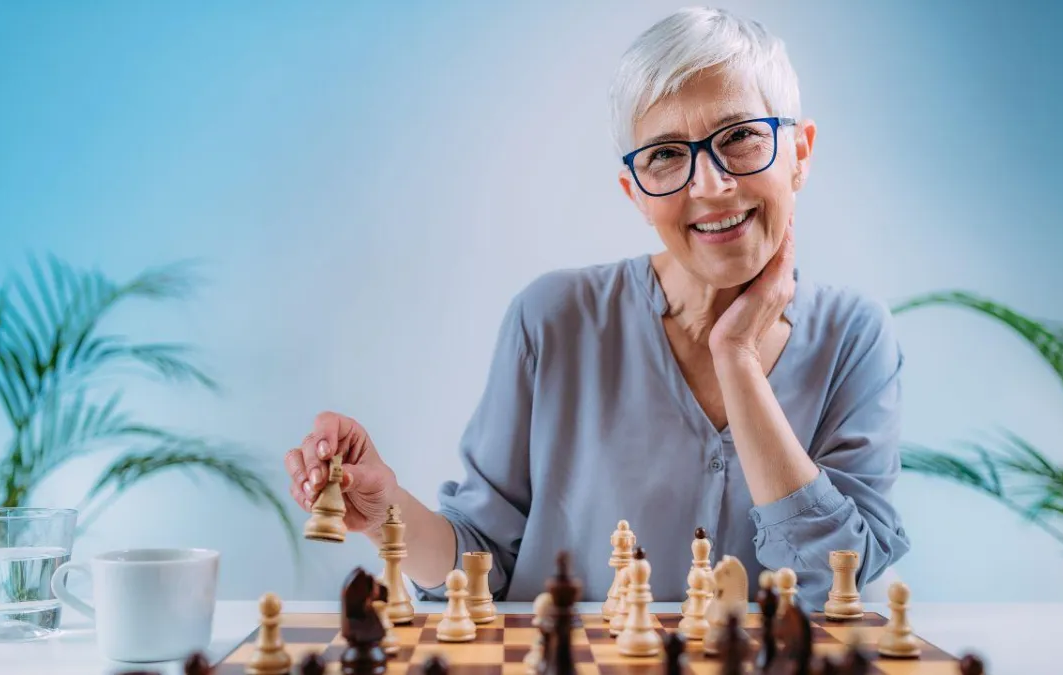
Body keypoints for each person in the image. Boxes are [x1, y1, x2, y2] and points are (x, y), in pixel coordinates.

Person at [283, 6, 910, 609]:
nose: (710, 184)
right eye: (665, 154)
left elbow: (836, 590)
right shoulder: (552, 319)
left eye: (741, 136)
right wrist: (384, 506)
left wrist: (736, 356)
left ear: (799, 153)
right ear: (635, 191)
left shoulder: (856, 336)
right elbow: (481, 564)